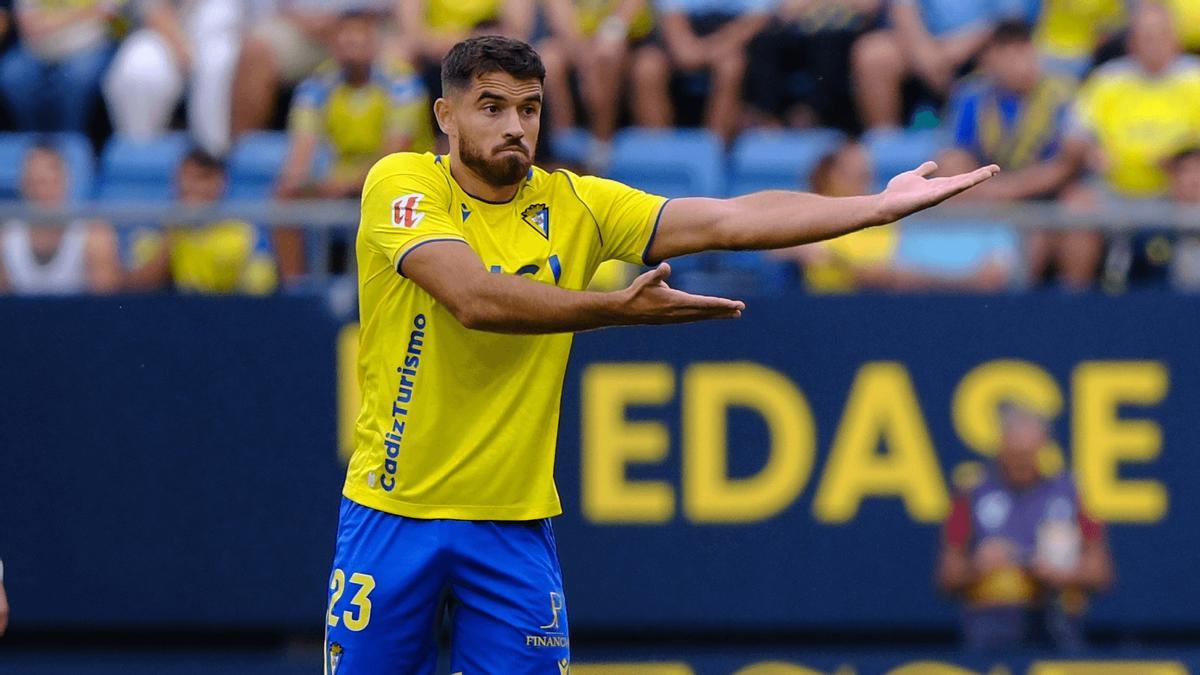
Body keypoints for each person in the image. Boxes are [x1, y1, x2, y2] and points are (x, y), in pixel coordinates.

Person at [325, 35, 997, 672]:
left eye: (529, 108)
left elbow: (726, 220)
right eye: (491, 107)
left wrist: (871, 208)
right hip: (393, 512)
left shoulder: (575, 203)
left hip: (513, 520)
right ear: (446, 114)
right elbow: (473, 298)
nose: (515, 126)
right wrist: (614, 310)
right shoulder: (404, 183)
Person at [936, 403, 1115, 651]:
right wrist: (978, 565)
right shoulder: (969, 494)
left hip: (1057, 619)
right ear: (1001, 446)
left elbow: (1101, 572)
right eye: (1015, 454)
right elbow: (947, 575)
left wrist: (1062, 572)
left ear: (1043, 449)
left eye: (1029, 455)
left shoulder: (1072, 494)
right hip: (990, 624)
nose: (1022, 463)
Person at [274, 10, 432, 282]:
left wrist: (344, 185)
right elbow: (299, 157)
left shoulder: (402, 84)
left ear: (375, 41)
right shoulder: (316, 87)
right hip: (341, 183)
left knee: (388, 186)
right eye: (344, 35)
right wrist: (301, 182)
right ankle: (295, 290)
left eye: (360, 34)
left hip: (402, 179)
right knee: (285, 195)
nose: (352, 42)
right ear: (332, 43)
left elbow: (393, 156)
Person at [936, 20, 1093, 288]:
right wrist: (991, 192)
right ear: (991, 59)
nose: (1023, 65)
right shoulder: (971, 95)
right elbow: (953, 159)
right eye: (1011, 56)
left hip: (1047, 196)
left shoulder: (1063, 93)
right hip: (988, 192)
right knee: (948, 174)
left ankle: (1074, 298)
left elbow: (1068, 164)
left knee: (1081, 206)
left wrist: (1008, 191)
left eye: (1027, 53)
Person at [1063, 0, 1200, 291]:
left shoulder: (1195, 78)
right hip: (1115, 190)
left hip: (1175, 192)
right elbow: (1074, 139)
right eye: (1146, 37)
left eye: (1161, 35)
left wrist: (1181, 164)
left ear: (1175, 39)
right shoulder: (1108, 80)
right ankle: (1073, 302)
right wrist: (1089, 153)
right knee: (1075, 205)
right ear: (1132, 42)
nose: (1154, 44)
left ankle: (1188, 294)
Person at [102, 0, 242, 156]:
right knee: (138, 71)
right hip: (163, 28)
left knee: (219, 64)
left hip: (232, 32)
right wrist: (182, 48)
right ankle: (140, 163)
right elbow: (150, 9)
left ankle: (214, 162)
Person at [127, 149, 277, 294]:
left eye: (201, 178)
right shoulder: (153, 232)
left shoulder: (243, 234)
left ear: (220, 182)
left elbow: (257, 292)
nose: (191, 187)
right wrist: (172, 235)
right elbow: (141, 287)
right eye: (185, 177)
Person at [538, 0, 659, 169]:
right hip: (578, 42)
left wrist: (610, 35)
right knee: (548, 59)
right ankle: (562, 144)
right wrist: (584, 56)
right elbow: (560, 16)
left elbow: (628, 10)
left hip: (629, 38)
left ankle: (601, 142)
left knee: (610, 56)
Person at [852, 0, 1001, 130]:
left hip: (981, 47)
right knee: (875, 55)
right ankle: (885, 145)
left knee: (1006, 55)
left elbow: (1008, 19)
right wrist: (928, 56)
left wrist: (949, 53)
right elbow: (903, 11)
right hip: (921, 46)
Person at [0, 144, 120, 295]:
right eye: (31, 182)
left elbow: (106, 307)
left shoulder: (93, 236)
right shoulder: (5, 239)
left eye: (46, 182)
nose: (39, 192)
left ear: (65, 181)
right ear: (21, 185)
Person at [646, 0, 774, 142]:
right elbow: (671, 16)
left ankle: (713, 151)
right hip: (683, 36)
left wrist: (714, 48)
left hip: (735, 36)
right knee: (647, 67)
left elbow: (758, 18)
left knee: (731, 67)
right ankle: (659, 150)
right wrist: (688, 49)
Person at [0, 0, 117, 133]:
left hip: (90, 48)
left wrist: (53, 21)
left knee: (77, 77)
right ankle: (33, 140)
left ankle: (71, 141)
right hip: (36, 50)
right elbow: (30, 26)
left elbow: (109, 14)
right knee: (13, 75)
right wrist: (84, 14)